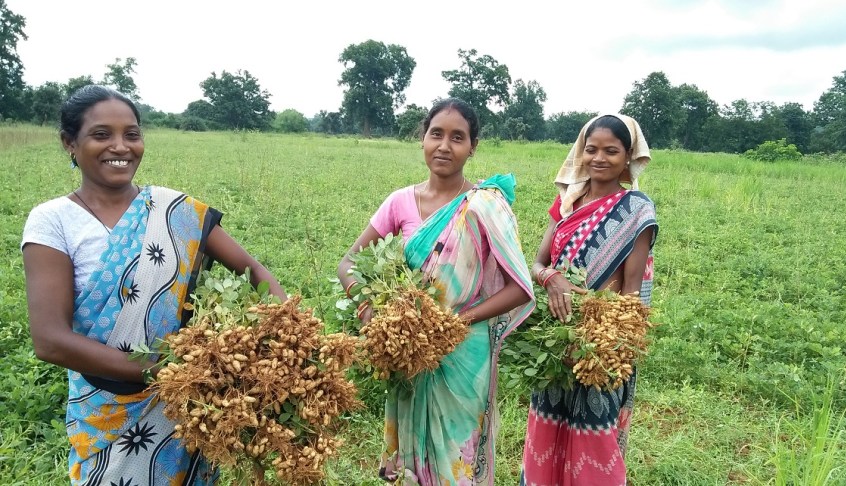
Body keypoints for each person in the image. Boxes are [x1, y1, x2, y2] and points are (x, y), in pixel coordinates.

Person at [21, 85, 288, 485]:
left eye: (132, 134)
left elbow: (252, 269)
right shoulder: (53, 221)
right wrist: (166, 371)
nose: (121, 146)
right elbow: (50, 340)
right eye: (101, 134)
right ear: (69, 143)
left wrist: (286, 329)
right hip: (110, 407)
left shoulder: (171, 210)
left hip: (187, 408)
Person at [337, 97, 535, 485]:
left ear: (472, 147)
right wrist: (370, 312)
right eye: (436, 134)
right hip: (409, 353)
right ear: (422, 139)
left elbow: (520, 288)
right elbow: (348, 263)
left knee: (456, 462)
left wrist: (453, 323)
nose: (444, 146)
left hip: (463, 350)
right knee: (412, 459)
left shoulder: (484, 205)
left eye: (457, 137)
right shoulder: (399, 202)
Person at [520, 114, 658, 486]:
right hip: (556, 336)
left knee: (595, 437)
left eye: (611, 151)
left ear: (628, 155)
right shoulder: (567, 201)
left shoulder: (636, 210)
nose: (599, 158)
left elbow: (631, 292)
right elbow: (536, 262)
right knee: (549, 427)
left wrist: (602, 341)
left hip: (599, 343)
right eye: (591, 149)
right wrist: (551, 278)